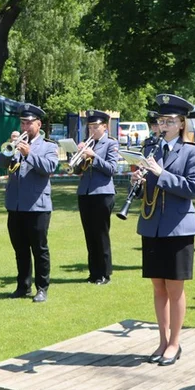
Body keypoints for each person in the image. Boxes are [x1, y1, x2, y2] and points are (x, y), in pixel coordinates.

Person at [132, 94, 195, 365]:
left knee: (175, 289)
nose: (164, 125)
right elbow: (143, 191)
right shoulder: (151, 148)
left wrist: (162, 174)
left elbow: (193, 188)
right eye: (161, 120)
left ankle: (175, 343)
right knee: (158, 287)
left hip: (178, 228)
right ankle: (161, 341)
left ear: (182, 123)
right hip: (152, 226)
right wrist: (137, 179)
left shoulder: (191, 151)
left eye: (170, 121)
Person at [0, 104, 60, 302]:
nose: (25, 127)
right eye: (23, 123)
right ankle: (23, 286)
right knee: (20, 249)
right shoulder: (16, 142)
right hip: (15, 205)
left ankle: (42, 288)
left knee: (39, 249)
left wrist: (28, 154)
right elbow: (0, 161)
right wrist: (11, 146)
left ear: (38, 124)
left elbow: (50, 167)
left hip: (37, 206)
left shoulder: (49, 146)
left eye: (29, 123)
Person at [74, 110, 119, 285]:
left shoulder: (110, 144)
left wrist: (94, 156)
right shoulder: (87, 143)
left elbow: (112, 169)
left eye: (95, 126)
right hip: (85, 193)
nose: (92, 130)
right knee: (89, 234)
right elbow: (77, 171)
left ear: (105, 127)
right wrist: (77, 156)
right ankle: (93, 272)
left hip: (103, 193)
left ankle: (104, 273)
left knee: (101, 234)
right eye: (90, 126)